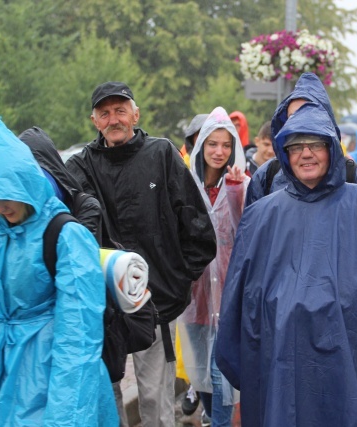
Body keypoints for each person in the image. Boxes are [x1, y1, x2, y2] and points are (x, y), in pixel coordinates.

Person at [215, 74, 357, 427]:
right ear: (284, 150)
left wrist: (350, 305)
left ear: (331, 147)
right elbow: (241, 298)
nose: (306, 153)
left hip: (349, 352)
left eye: (315, 143)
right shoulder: (262, 214)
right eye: (296, 144)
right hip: (283, 357)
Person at [0, 119, 118, 425]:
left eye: (8, 196)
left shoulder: (66, 235)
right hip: (3, 375)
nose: (1, 207)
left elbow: (78, 338)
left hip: (52, 376)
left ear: (28, 184)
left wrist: (64, 418)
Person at [66, 81, 217, 427]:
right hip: (103, 309)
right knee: (109, 395)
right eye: (105, 113)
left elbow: (198, 230)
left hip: (157, 304)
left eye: (120, 110)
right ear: (94, 120)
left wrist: (176, 282)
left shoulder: (162, 155)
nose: (113, 119)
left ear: (136, 113)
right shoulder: (80, 168)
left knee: (155, 400)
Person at [179, 106, 249, 426]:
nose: (219, 152)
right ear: (201, 145)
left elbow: (251, 232)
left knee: (222, 378)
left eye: (226, 145)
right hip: (195, 299)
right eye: (212, 144)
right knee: (200, 373)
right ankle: (209, 417)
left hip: (229, 298)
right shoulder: (184, 185)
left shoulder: (240, 185)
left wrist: (241, 190)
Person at [245, 73, 357, 207]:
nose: (301, 124)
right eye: (293, 117)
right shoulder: (266, 176)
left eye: (310, 115)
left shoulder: (355, 177)